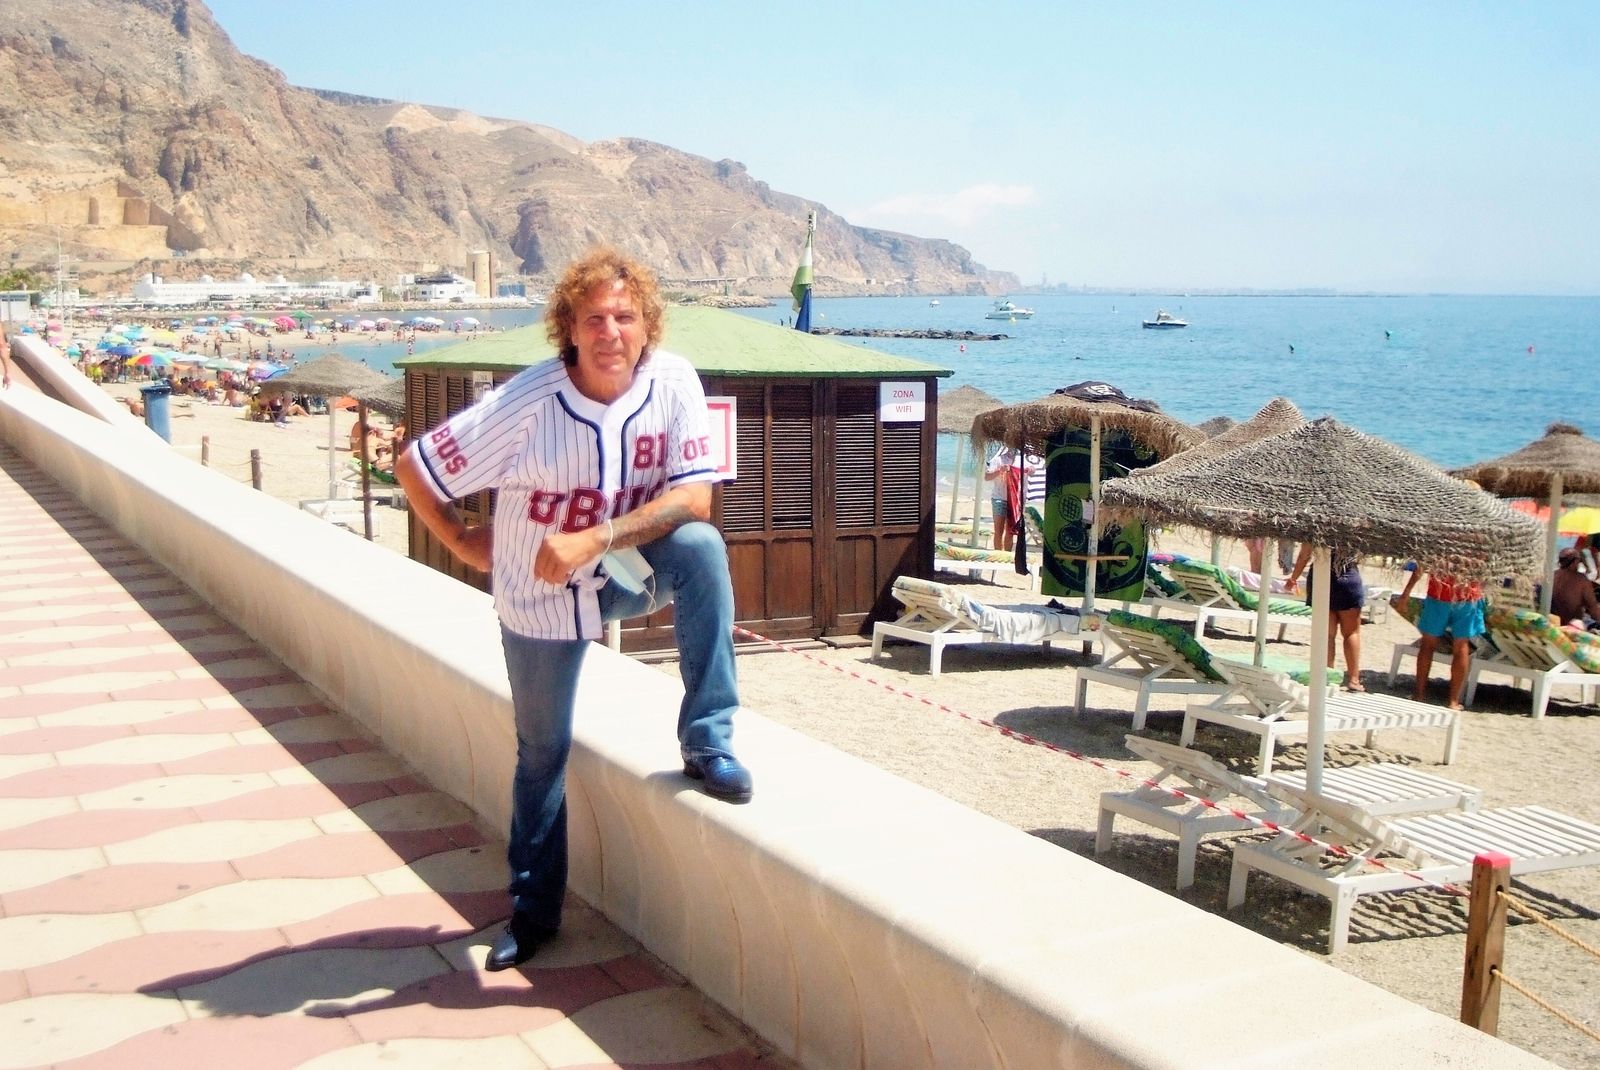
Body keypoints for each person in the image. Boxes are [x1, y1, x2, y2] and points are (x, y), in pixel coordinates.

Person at [394, 247, 752, 973]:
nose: (610, 331)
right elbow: (415, 464)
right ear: (569, 329)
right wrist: (463, 540)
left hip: (622, 572)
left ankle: (707, 740)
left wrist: (597, 534)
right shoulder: (529, 401)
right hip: (538, 599)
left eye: (625, 316)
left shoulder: (673, 381)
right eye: (594, 318)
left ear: (648, 326)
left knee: (702, 548)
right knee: (542, 753)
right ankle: (532, 915)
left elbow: (695, 498)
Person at [1393, 566, 1484, 710]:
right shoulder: (1479, 545)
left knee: (1428, 644)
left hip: (1439, 593)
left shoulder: (1443, 543)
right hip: (1467, 596)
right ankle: (1453, 701)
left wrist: (1406, 593)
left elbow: (1421, 564)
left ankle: (1419, 694)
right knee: (1461, 646)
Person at [1286, 544, 1366, 691]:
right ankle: (1354, 680)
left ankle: (1326, 675)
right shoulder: (1355, 527)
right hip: (1348, 578)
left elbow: (1304, 555)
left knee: (1327, 634)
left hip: (1320, 578)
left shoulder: (1317, 526)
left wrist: (1293, 578)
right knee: (1351, 633)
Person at [984, 445, 1043, 551]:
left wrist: (1031, 469)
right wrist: (999, 471)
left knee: (1010, 530)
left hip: (1017, 499)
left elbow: (1033, 471)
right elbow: (987, 477)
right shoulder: (999, 460)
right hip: (1000, 498)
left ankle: (1006, 555)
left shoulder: (1023, 460)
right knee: (998, 530)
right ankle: (998, 555)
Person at [1550, 546, 1600, 628]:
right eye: (1579, 560)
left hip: (1552, 624)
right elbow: (1593, 608)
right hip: (1573, 627)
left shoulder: (1552, 575)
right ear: (1575, 562)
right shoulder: (1581, 580)